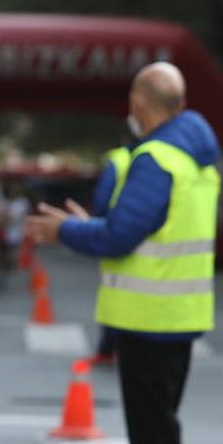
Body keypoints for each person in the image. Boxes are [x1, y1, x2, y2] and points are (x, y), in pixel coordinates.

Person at [26, 61, 219, 444]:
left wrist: (68, 231)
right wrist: (85, 225)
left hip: (149, 321)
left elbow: (120, 237)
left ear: (138, 104)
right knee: (159, 441)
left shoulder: (157, 158)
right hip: (176, 318)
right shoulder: (196, 157)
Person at [86, 145, 133, 366]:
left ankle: (107, 349)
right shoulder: (181, 156)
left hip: (120, 235)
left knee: (116, 293)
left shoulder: (120, 158)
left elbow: (103, 202)